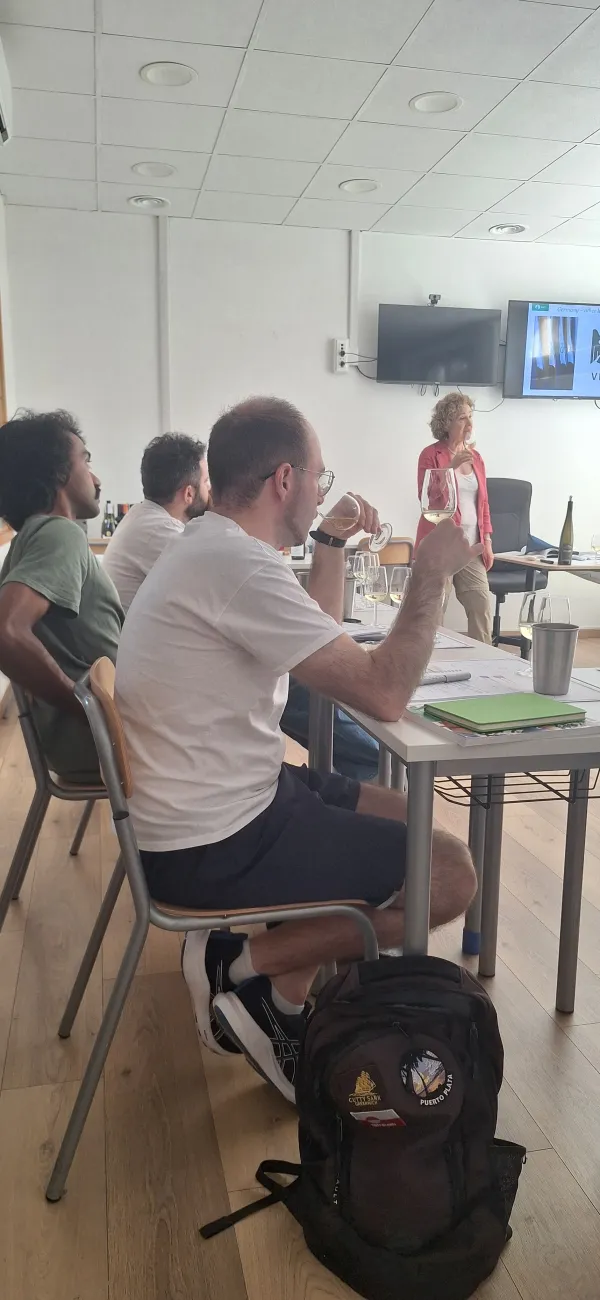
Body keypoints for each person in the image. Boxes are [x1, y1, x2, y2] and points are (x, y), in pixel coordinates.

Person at [116, 396, 478, 1103]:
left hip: (219, 803)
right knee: (449, 876)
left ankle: (278, 991)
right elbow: (384, 693)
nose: (321, 490)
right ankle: (245, 967)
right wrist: (431, 572)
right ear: (284, 479)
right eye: (318, 476)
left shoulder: (215, 548)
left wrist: (331, 544)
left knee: (410, 817)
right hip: (212, 841)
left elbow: (315, 630)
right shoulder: (239, 567)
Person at [105, 434, 379, 781]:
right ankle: (371, 769)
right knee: (318, 695)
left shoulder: (157, 526)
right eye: (206, 482)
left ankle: (359, 777)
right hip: (195, 744)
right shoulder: (198, 546)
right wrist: (431, 567)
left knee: (306, 675)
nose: (210, 492)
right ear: (284, 480)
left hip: (178, 721)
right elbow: (377, 689)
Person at [0, 410, 123, 782]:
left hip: (84, 743)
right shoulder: (59, 533)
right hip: (108, 743)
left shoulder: (33, 538)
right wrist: (87, 708)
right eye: (86, 461)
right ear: (58, 474)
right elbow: (6, 631)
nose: (96, 479)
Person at [416, 393, 493, 644]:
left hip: (471, 546)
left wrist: (487, 540)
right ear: (447, 422)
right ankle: (427, 659)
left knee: (481, 603)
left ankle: (484, 659)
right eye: (462, 418)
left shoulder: (476, 458)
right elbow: (427, 498)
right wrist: (450, 467)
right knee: (435, 608)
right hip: (441, 546)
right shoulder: (431, 455)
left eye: (470, 417)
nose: (469, 424)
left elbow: (483, 504)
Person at [103, 433, 210, 613]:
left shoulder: (142, 516)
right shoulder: (161, 531)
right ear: (189, 494)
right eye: (206, 482)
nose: (210, 489)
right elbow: (215, 588)